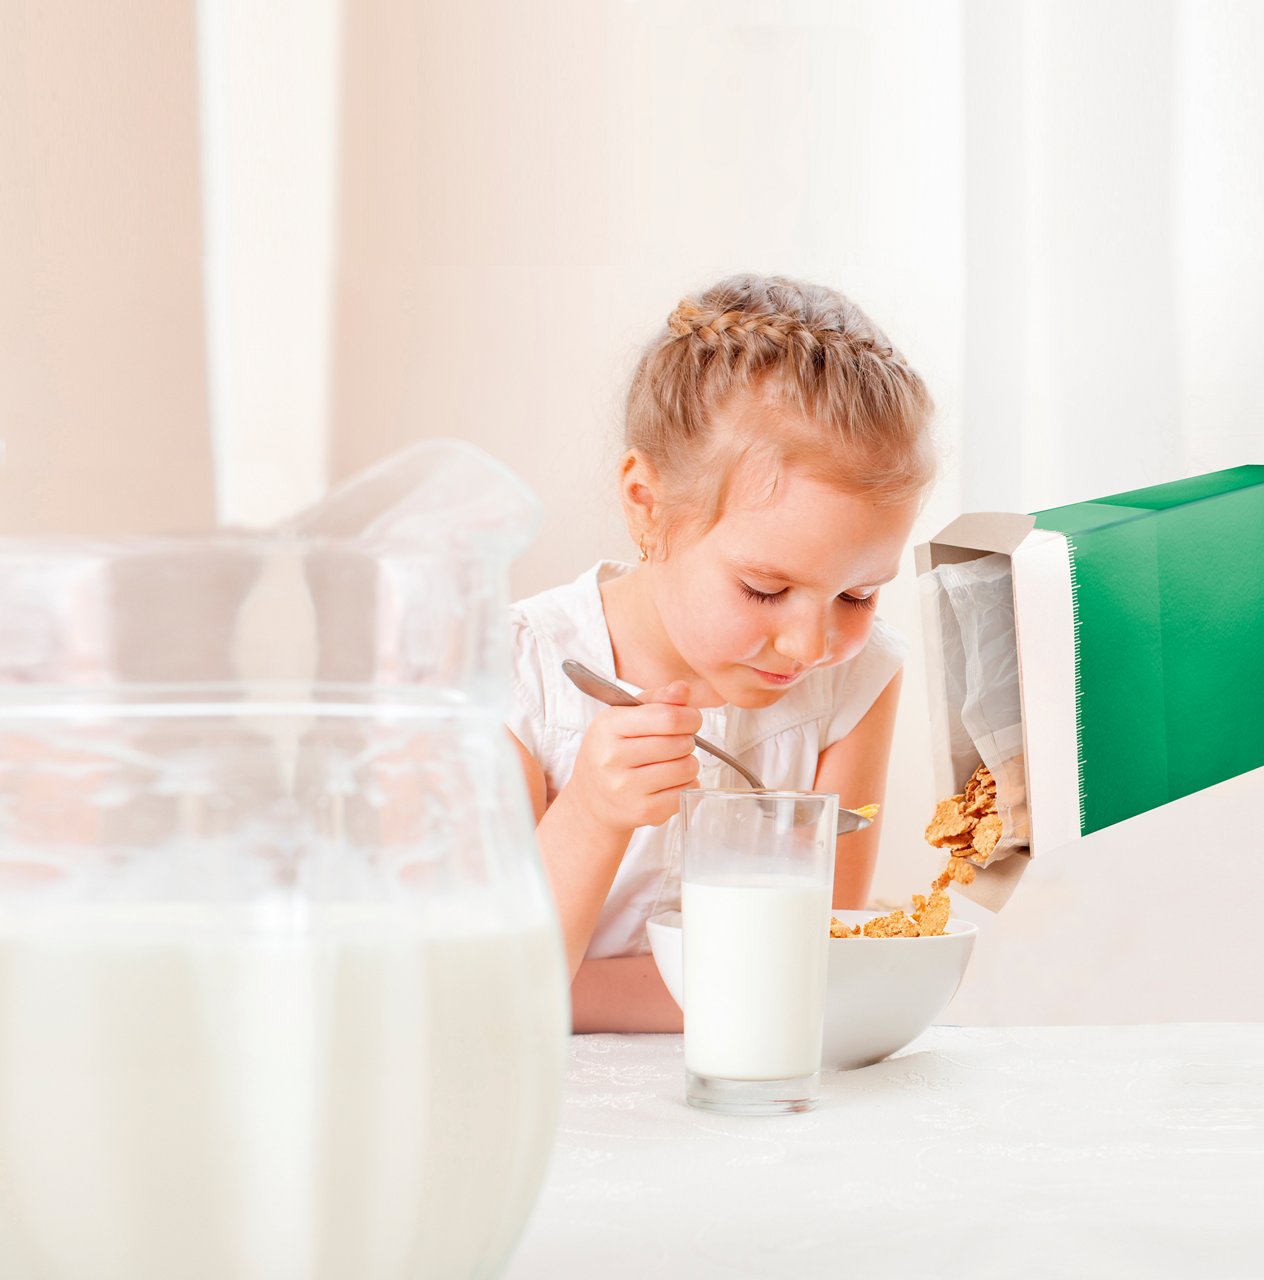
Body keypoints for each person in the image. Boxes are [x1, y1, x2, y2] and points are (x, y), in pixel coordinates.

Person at [508, 274, 936, 1032]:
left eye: (857, 596)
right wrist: (593, 813)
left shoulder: (857, 682)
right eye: (766, 590)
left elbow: (812, 971)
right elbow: (493, 991)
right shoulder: (516, 670)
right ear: (648, 503)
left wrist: (574, 997)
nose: (812, 644)